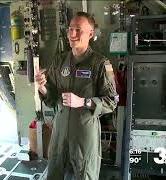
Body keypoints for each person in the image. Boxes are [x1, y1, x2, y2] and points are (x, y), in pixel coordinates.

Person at [35, 12, 118, 180]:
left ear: (90, 33)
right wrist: (42, 87)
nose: (72, 34)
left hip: (84, 132)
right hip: (60, 131)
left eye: (78, 30)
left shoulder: (100, 64)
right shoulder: (59, 61)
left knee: (85, 173)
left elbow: (111, 101)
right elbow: (51, 100)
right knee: (54, 173)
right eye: (70, 29)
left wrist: (83, 101)